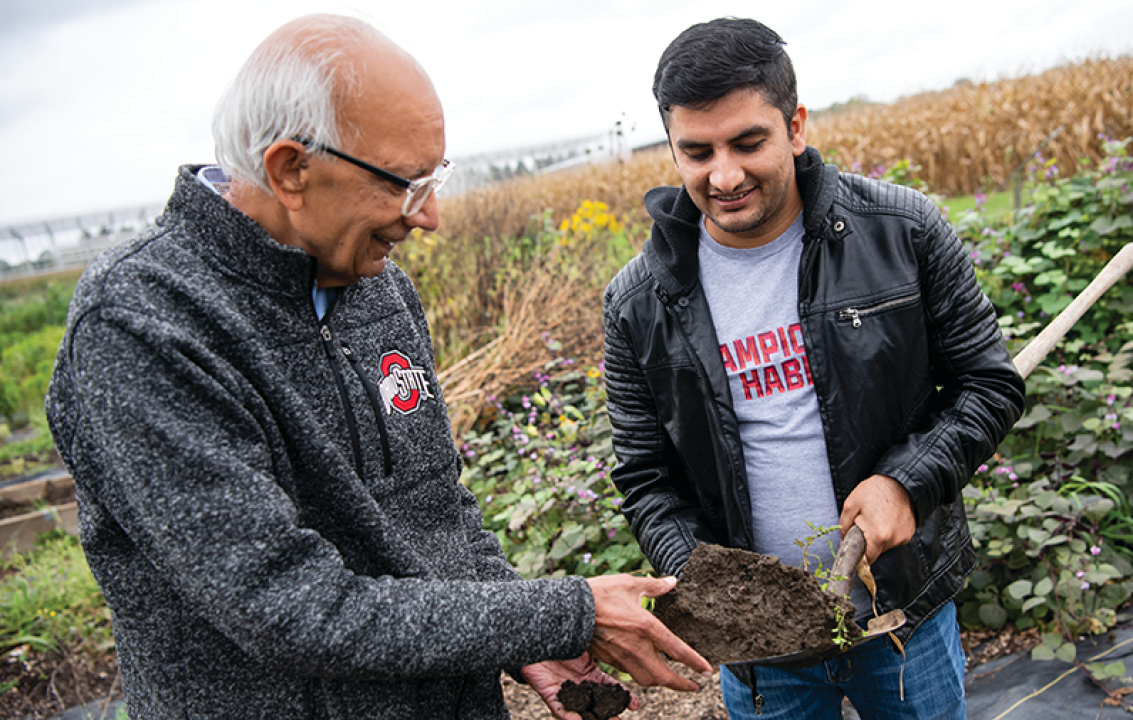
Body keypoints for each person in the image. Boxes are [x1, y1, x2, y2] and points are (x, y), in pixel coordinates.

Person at [45, 14, 710, 720]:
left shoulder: (374, 283)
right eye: (408, 183)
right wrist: (558, 614)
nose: (429, 217)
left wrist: (518, 636)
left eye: (435, 178)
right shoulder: (143, 323)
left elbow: (437, 506)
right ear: (290, 169)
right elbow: (288, 608)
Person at [602, 17, 1025, 720]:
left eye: (748, 142)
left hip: (901, 618)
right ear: (672, 148)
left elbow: (989, 383)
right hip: (763, 650)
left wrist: (905, 483)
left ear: (794, 127)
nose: (724, 174)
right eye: (696, 151)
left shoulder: (904, 231)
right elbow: (646, 478)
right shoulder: (638, 302)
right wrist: (714, 586)